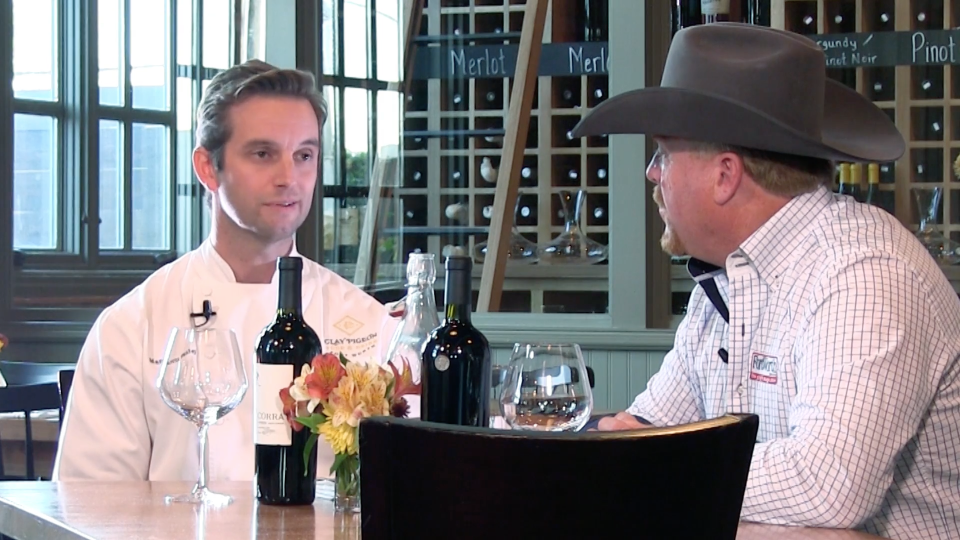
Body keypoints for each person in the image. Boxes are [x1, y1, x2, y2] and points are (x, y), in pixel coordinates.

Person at [573, 23, 960, 539]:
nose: (651, 174)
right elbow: (649, 429)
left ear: (725, 175)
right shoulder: (725, 281)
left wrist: (653, 468)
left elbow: (829, 483)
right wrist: (640, 453)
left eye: (664, 154)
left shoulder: (866, 273)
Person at [53, 60, 401, 482]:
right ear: (207, 168)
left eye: (304, 155)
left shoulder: (368, 324)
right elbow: (89, 506)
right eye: (263, 154)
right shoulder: (132, 327)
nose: (289, 177)